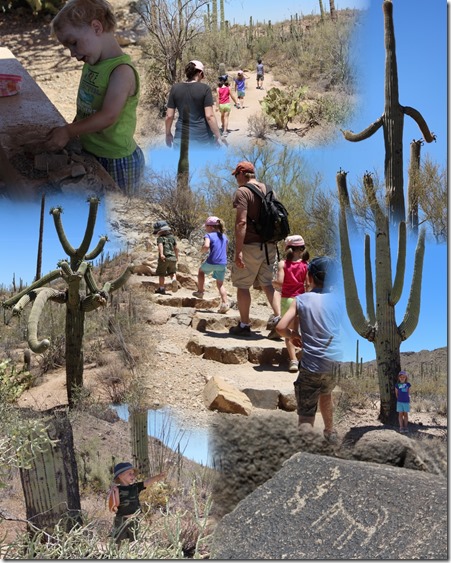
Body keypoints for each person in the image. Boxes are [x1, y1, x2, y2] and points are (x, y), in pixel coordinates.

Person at [45, 0, 145, 195]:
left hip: (117, 160)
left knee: (116, 213)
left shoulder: (121, 72)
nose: (72, 53)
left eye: (73, 43)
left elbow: (108, 116)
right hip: (92, 151)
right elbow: (87, 106)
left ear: (96, 27)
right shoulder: (92, 63)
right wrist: (73, 131)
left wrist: (68, 131)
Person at [276, 257, 343, 443]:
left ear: (310, 277)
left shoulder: (301, 300)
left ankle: (305, 449)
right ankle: (330, 432)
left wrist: (293, 335)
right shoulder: (339, 301)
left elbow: (280, 328)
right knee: (326, 393)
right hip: (334, 363)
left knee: (306, 411)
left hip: (311, 365)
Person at [229, 160, 281, 337]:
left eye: (236, 175)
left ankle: (244, 325)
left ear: (242, 174)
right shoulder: (270, 189)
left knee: (243, 285)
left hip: (251, 245)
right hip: (270, 245)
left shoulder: (242, 192)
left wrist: (238, 251)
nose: (236, 179)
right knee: (267, 284)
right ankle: (279, 321)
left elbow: (241, 222)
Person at [272, 235, 309, 372]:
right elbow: (309, 284)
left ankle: (293, 360)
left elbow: (280, 282)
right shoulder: (306, 265)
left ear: (288, 248)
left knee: (290, 332)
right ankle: (305, 358)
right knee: (300, 330)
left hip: (287, 299)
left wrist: (272, 282)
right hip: (302, 299)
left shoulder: (283, 264)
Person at [165, 60, 223, 148]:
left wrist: (168, 133)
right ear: (200, 73)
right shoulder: (205, 89)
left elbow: (169, 116)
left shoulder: (175, 88)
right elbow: (209, 116)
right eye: (203, 74)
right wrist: (218, 136)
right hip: (202, 139)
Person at [108, 462, 166, 544]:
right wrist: (115, 492)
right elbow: (114, 506)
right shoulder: (116, 489)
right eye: (130, 474)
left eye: (133, 474)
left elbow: (147, 482)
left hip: (135, 520)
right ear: (120, 476)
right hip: (121, 520)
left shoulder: (135, 487)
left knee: (133, 542)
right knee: (118, 542)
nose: (133, 476)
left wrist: (158, 477)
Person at [193, 216, 230, 314]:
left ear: (211, 227)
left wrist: (201, 251)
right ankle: (225, 303)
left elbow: (206, 246)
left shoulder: (208, 236)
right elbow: (226, 251)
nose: (205, 228)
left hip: (212, 261)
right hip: (223, 263)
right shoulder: (224, 237)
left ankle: (200, 292)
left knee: (201, 271)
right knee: (220, 284)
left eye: (206, 226)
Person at [155, 224, 178, 294]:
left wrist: (161, 254)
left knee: (161, 273)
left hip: (165, 258)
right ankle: (174, 279)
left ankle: (161, 288)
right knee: (172, 272)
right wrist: (176, 257)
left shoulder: (160, 238)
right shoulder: (172, 238)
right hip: (173, 258)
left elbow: (160, 245)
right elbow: (176, 248)